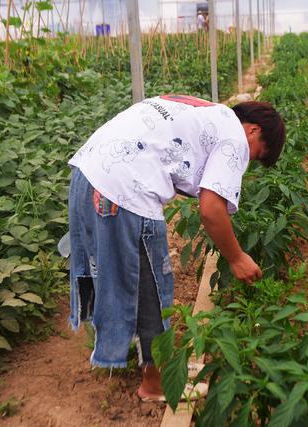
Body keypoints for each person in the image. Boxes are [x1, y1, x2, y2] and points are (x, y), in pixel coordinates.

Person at [66, 94, 285, 401]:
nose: (248, 163)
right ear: (254, 130)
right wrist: (236, 257)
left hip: (87, 174)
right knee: (153, 288)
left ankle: (122, 348)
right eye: (256, 155)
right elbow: (211, 210)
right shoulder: (234, 136)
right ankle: (156, 385)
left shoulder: (207, 112)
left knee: (108, 269)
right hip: (124, 191)